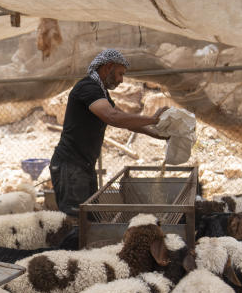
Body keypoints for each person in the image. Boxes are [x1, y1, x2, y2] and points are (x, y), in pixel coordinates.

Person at [50, 48, 170, 217]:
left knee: (89, 219)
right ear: (108, 67)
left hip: (83, 166)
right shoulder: (87, 88)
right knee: (76, 221)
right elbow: (112, 117)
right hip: (70, 167)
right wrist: (152, 119)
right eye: (120, 74)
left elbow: (124, 119)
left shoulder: (101, 92)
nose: (121, 80)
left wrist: (155, 133)